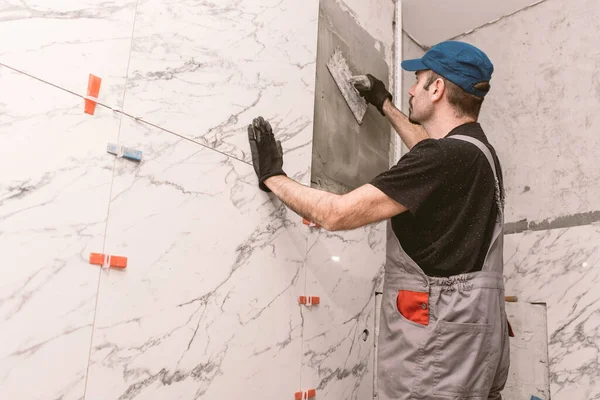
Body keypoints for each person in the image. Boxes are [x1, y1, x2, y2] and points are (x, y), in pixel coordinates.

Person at [247, 40, 510, 399]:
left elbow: (335, 214)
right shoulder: (479, 154)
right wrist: (384, 104)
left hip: (438, 348)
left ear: (437, 89)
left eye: (418, 81)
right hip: (478, 340)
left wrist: (273, 176)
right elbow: (428, 152)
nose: (412, 90)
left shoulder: (444, 157)